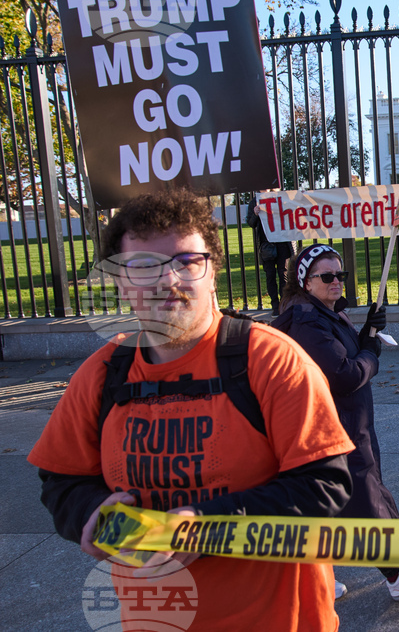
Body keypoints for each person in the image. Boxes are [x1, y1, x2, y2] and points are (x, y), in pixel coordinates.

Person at [28, 189, 355, 631]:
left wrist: (209, 526)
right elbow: (61, 482)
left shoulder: (271, 360)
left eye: (186, 262)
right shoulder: (101, 374)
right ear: (121, 282)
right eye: (143, 266)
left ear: (213, 272)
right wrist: (91, 513)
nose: (168, 280)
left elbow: (324, 487)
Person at [272, 244, 399, 600]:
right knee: (364, 493)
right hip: (336, 426)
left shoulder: (324, 312)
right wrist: (370, 353)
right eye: (327, 276)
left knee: (328, 500)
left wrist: (366, 333)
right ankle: (398, 574)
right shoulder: (308, 321)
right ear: (306, 281)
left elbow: (345, 353)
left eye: (341, 274)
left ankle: (313, 579)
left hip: (346, 420)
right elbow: (344, 374)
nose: (336, 281)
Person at [247, 190, 294, 315]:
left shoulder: (282, 197)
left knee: (284, 274)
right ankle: (275, 305)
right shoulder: (255, 201)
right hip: (266, 244)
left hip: (282, 243)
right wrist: (255, 214)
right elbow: (251, 223)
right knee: (270, 275)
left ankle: (284, 304)